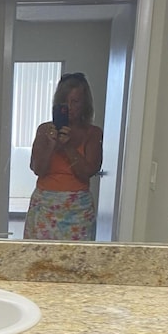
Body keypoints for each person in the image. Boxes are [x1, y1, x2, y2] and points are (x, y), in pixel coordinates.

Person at [23, 72, 103, 241]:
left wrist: (68, 147)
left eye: (75, 102)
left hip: (78, 210)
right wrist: (52, 145)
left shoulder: (92, 133)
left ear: (84, 104)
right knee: (40, 261)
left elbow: (88, 172)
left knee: (77, 263)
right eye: (64, 102)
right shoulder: (45, 130)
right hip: (45, 207)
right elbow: (38, 169)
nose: (69, 107)